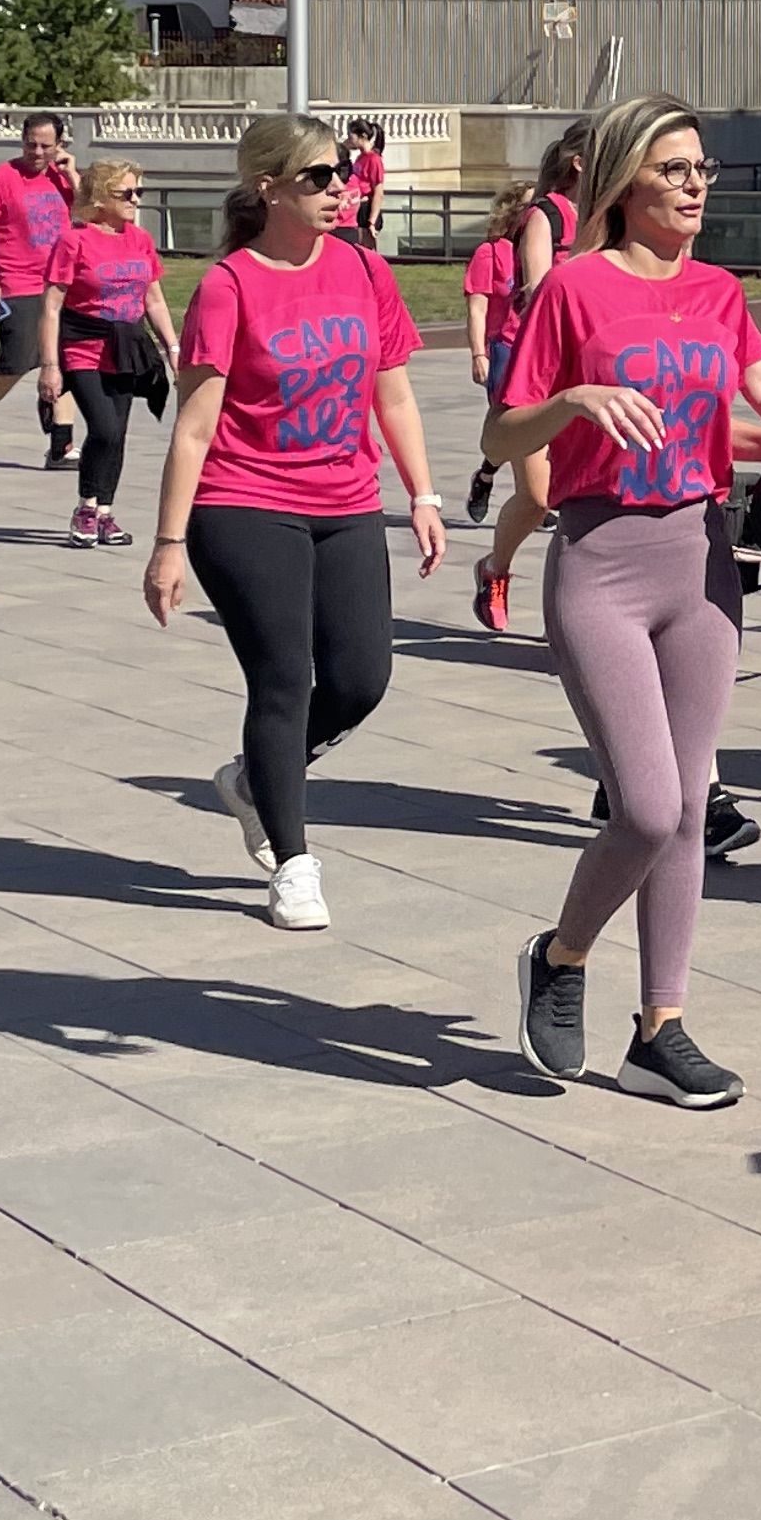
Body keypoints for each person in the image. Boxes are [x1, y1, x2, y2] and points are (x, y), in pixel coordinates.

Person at [494, 93, 761, 1107]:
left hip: (703, 561)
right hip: (601, 563)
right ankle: (563, 954)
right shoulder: (574, 291)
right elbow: (501, 440)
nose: (695, 185)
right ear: (625, 180)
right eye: (674, 170)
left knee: (689, 808)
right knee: (649, 805)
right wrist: (572, 401)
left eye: (703, 169)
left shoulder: (719, 291)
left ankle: (659, 1029)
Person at [145, 113, 445, 932]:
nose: (337, 187)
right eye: (317, 176)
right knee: (283, 679)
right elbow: (196, 428)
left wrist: (422, 494)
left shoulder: (361, 269)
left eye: (340, 172)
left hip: (346, 502)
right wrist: (168, 544)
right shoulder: (228, 286)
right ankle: (294, 862)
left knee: (360, 680)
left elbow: (393, 391)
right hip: (242, 504)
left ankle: (253, 780)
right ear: (267, 187)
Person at [467, 133, 587, 628]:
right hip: (536, 370)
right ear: (580, 162)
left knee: (586, 496)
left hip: (594, 373)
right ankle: (495, 569)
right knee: (539, 497)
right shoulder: (547, 215)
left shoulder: (612, 214)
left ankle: (583, 612)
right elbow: (540, 295)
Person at [41, 161, 174, 548]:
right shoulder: (74, 241)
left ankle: (104, 514)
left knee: (118, 436)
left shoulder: (140, 239)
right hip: (83, 346)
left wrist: (173, 349)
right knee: (105, 429)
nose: (135, 200)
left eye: (138, 193)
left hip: (127, 347)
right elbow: (51, 307)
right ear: (99, 199)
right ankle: (85, 506)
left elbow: (154, 300)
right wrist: (50, 366)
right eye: (126, 194)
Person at [0, 113, 79, 474]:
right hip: (18, 283)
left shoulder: (64, 177)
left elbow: (90, 215)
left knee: (66, 361)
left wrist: (71, 174)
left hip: (61, 283)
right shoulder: (2, 177)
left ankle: (61, 445)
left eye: (45, 146)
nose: (37, 152)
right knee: (15, 363)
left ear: (60, 145)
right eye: (30, 144)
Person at [459, 188, 524, 520]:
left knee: (540, 426)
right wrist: (478, 354)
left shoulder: (542, 249)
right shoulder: (491, 253)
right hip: (504, 347)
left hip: (536, 347)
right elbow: (477, 310)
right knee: (511, 426)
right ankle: (489, 480)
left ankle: (531, 496)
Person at [342, 118, 388, 245]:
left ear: (362, 136)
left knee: (366, 251)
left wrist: (371, 222)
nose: (349, 140)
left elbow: (378, 193)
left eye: (351, 136)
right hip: (357, 206)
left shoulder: (374, 159)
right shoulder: (360, 157)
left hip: (367, 210)